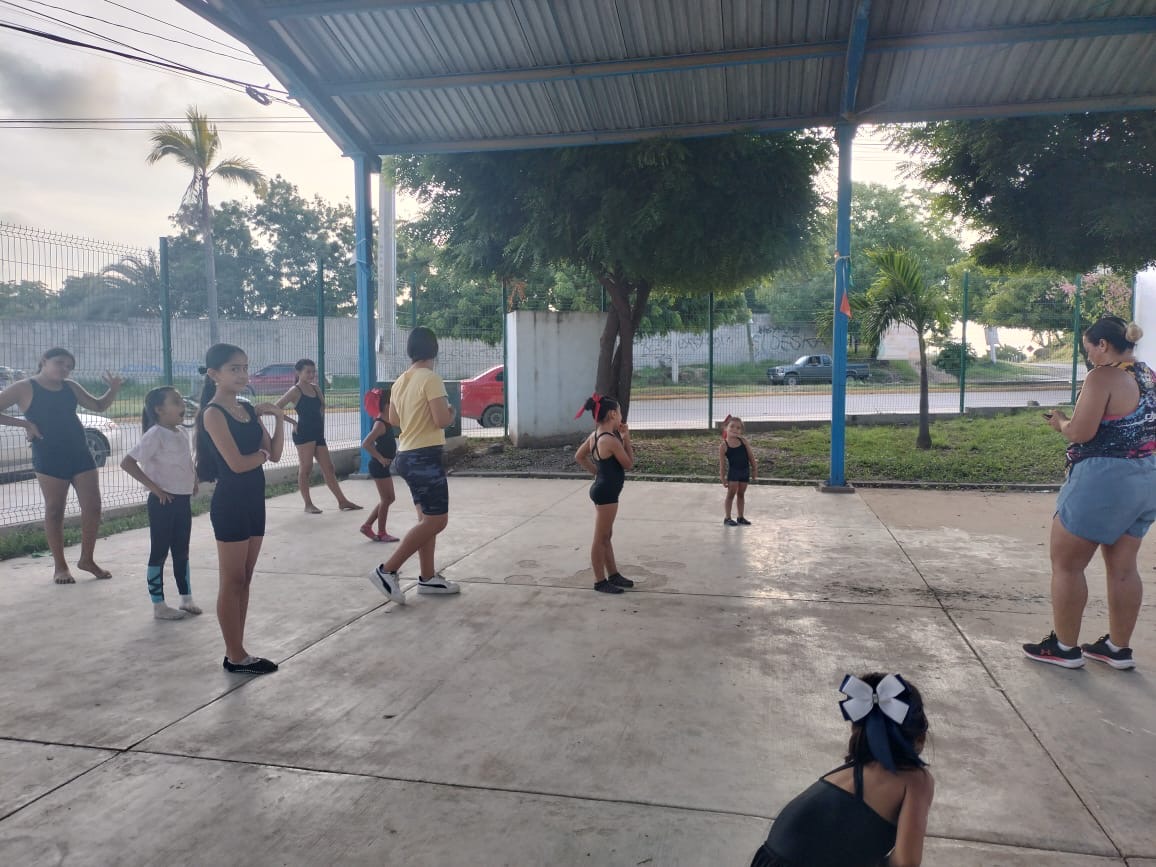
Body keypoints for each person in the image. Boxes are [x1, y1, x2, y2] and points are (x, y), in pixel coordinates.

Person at [1023, 316, 1156, 671]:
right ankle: (1118, 649)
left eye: (1088, 349)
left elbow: (1081, 432)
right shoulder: (1148, 375)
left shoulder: (1102, 377)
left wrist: (1060, 422)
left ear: (1103, 345)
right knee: (1124, 568)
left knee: (1067, 565)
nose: (1089, 357)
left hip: (1103, 479)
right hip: (1146, 478)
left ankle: (1065, 648)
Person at [750, 673, 934, 867]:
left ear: (857, 728)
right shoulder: (916, 780)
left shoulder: (850, 772)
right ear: (920, 736)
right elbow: (906, 862)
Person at [196, 343, 287, 675]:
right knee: (232, 580)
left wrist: (278, 419)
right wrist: (261, 455)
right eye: (234, 369)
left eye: (245, 368)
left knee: (245, 580)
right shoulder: (213, 414)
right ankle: (235, 655)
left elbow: (275, 453)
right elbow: (237, 464)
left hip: (254, 502)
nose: (242, 374)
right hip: (231, 503)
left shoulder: (247, 409)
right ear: (214, 374)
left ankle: (238, 649)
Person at [0, 347, 122, 584]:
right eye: (60, 363)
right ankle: (60, 566)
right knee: (55, 509)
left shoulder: (71, 386)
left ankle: (87, 559)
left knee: (93, 506)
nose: (65, 369)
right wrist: (26, 425)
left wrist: (113, 389)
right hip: (49, 455)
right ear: (44, 360)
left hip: (80, 453)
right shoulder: (24, 387)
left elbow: (98, 406)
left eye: (69, 367)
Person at [367, 327, 460, 603]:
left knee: (426, 521)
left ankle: (428, 578)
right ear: (435, 350)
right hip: (425, 456)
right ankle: (387, 570)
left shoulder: (400, 381)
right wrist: (452, 412)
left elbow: (394, 420)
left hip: (406, 455)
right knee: (437, 520)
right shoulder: (430, 379)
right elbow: (442, 420)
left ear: (410, 351)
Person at [120, 386, 202, 620]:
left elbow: (185, 461)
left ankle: (186, 598)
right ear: (159, 409)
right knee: (159, 552)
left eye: (181, 401)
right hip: (163, 503)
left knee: (182, 550)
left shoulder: (180, 432)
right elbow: (128, 463)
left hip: (182, 500)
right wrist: (155, 489)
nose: (182, 405)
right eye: (175, 401)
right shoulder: (155, 434)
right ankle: (159, 605)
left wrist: (194, 479)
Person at [275, 358, 360, 514]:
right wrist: (293, 422)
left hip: (317, 433)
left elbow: (322, 406)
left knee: (329, 467)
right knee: (306, 468)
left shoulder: (315, 388)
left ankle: (342, 501)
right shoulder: (295, 391)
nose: (311, 375)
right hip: (303, 433)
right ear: (298, 372)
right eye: (308, 372)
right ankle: (308, 504)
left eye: (313, 372)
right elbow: (276, 408)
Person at [574, 393, 635, 594]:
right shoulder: (610, 440)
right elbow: (628, 463)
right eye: (619, 413)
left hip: (603, 489)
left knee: (606, 535)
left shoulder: (596, 436)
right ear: (612, 414)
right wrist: (627, 439)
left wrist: (597, 474)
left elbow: (580, 456)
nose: (621, 417)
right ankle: (600, 581)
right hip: (607, 494)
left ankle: (613, 574)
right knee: (600, 538)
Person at [359, 385, 399, 543]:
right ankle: (381, 532)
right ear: (388, 405)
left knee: (389, 498)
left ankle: (367, 526)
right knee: (386, 499)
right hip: (378, 466)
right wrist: (381, 458)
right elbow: (366, 443)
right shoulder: (380, 424)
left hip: (383, 466)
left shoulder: (387, 422)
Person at [719, 414, 757, 526]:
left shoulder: (743, 441)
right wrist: (722, 478)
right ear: (726, 428)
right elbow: (722, 465)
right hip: (734, 473)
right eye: (732, 426)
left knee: (741, 494)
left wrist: (754, 469)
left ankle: (740, 517)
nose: (735, 429)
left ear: (741, 431)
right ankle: (727, 518)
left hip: (745, 472)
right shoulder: (723, 446)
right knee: (730, 495)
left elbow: (751, 456)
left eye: (738, 428)